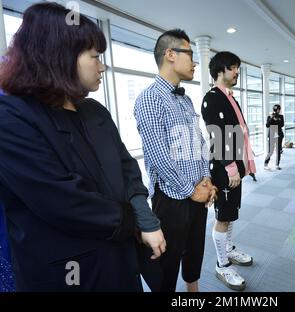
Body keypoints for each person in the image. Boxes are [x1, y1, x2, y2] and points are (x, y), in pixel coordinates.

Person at [0, 2, 166, 291]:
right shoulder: (11, 115)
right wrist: (132, 221)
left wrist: (145, 218)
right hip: (68, 272)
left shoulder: (94, 110)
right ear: (60, 57)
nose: (102, 65)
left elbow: (128, 168)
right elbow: (62, 201)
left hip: (120, 258)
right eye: (94, 56)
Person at [134, 29, 217, 292]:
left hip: (197, 192)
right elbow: (158, 155)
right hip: (171, 197)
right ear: (170, 54)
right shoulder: (149, 99)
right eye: (190, 54)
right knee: (166, 266)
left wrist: (206, 179)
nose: (194, 62)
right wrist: (190, 190)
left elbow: (200, 143)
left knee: (194, 251)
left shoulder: (186, 99)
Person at [201, 51, 255, 291]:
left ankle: (229, 250)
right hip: (225, 167)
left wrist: (241, 165)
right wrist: (232, 167)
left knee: (230, 212)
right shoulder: (212, 97)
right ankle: (222, 264)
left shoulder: (230, 97)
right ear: (220, 70)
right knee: (223, 217)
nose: (236, 72)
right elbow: (217, 135)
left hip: (234, 166)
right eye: (233, 68)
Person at [264, 104, 284, 170]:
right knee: (270, 151)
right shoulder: (270, 116)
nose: (277, 111)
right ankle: (266, 164)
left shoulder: (281, 116)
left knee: (278, 150)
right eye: (276, 109)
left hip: (278, 134)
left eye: (278, 109)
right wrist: (272, 118)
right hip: (272, 134)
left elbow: (282, 125)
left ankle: (277, 164)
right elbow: (267, 125)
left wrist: (277, 119)